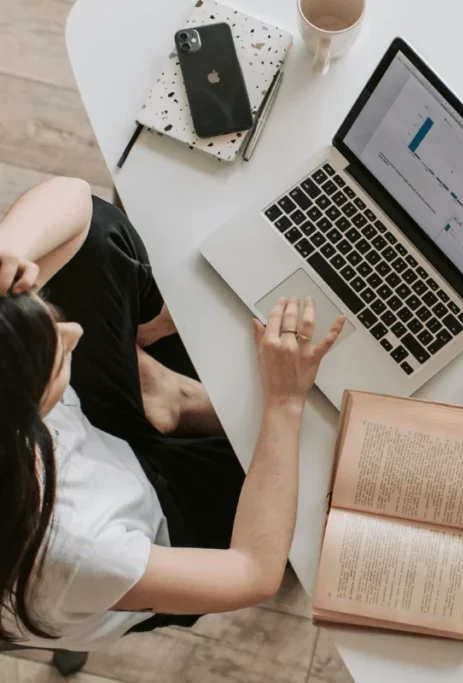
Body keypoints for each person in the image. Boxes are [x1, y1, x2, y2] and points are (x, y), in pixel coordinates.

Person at [0, 178, 344, 651]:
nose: (73, 331)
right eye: (55, 354)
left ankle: (164, 395)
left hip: (93, 450)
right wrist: (283, 401)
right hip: (163, 527)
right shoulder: (79, 549)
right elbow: (251, 572)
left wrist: (8, 251)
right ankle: (169, 397)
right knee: (310, 471)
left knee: (99, 236)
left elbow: (76, 202)